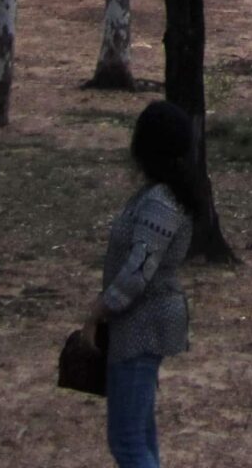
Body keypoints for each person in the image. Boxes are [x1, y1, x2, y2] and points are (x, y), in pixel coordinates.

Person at [94, 100, 199, 468]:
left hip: (143, 324)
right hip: (141, 323)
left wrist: (102, 307)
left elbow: (139, 269)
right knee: (139, 434)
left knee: (127, 442)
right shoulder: (162, 194)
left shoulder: (161, 201)